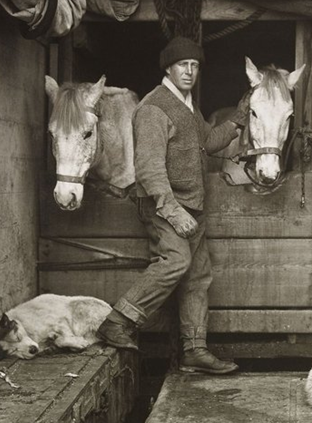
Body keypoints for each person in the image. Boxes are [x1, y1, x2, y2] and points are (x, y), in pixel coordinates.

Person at [97, 36, 248, 374]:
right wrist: (172, 210)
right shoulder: (154, 107)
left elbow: (207, 142)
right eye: (183, 65)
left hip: (192, 205)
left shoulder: (187, 105)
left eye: (195, 66)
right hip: (167, 206)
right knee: (175, 261)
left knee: (197, 276)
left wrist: (237, 120)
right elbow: (149, 168)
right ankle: (117, 321)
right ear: (169, 67)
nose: (190, 71)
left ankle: (195, 350)